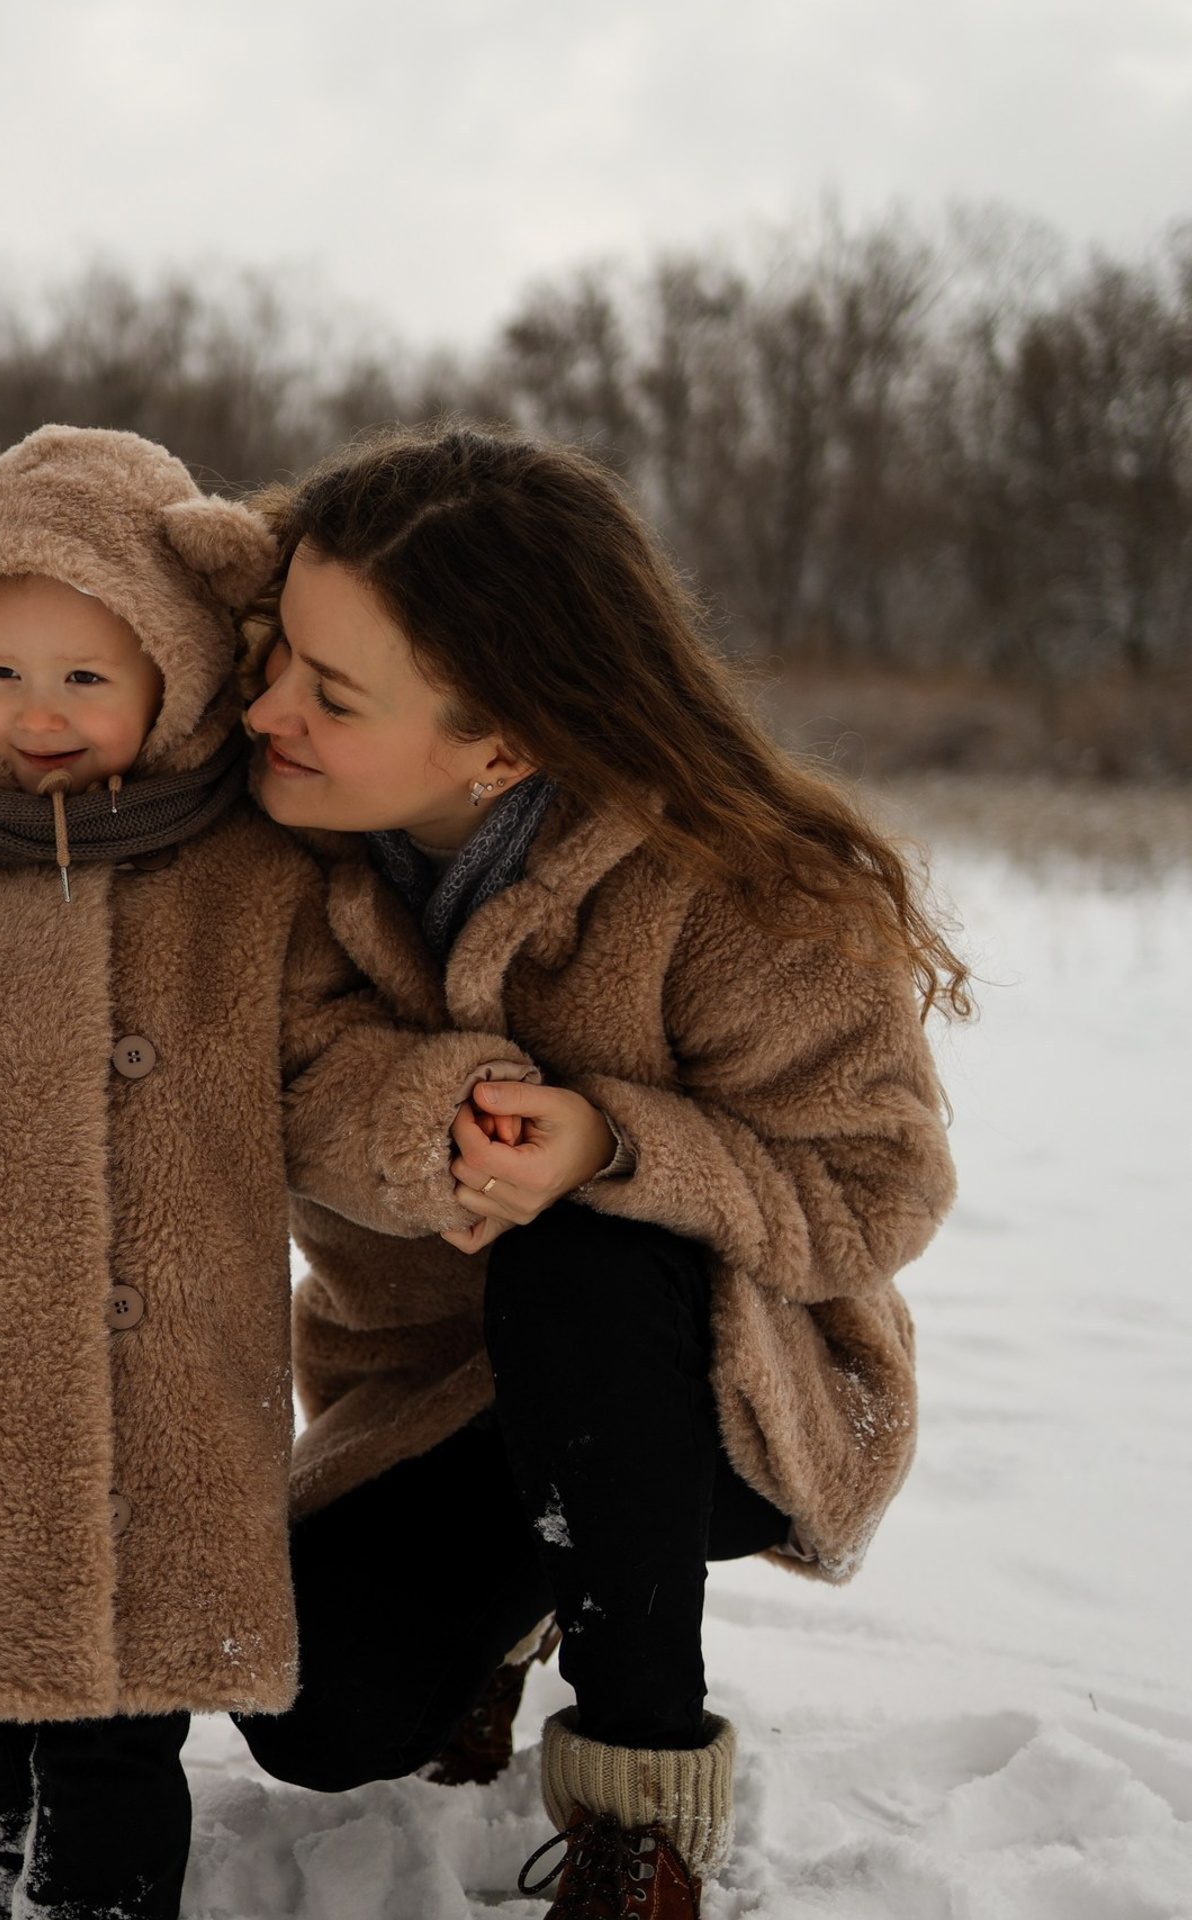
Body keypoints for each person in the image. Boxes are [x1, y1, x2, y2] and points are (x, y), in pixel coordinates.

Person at [0, 425, 526, 1920]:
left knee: (121, 1726)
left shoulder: (253, 880)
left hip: (170, 1388)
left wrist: (427, 1120)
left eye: (84, 679)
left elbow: (324, 1072)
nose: (35, 716)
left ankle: (102, 1902)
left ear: (179, 670)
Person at [234, 423, 963, 1918]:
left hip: (727, 1402)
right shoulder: (276, 864)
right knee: (312, 1720)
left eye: (329, 691)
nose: (266, 708)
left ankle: (643, 1810)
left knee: (582, 1250)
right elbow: (286, 1091)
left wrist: (609, 1142)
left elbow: (878, 1190)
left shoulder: (732, 890)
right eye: (276, 655)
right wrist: (428, 1121)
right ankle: (508, 1615)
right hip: (440, 1400)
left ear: (500, 740)